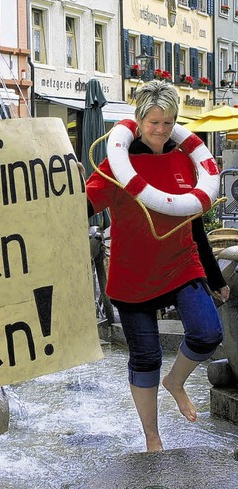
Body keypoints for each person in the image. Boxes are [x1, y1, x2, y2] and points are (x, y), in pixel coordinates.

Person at [85, 79, 229, 452]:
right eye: (154, 122)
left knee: (208, 332)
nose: (162, 131)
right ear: (138, 120)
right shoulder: (116, 162)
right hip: (133, 273)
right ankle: (153, 436)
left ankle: (176, 382)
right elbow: (85, 207)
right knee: (146, 356)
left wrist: (214, 277)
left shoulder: (184, 159)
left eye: (169, 123)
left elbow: (193, 221)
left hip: (182, 264)